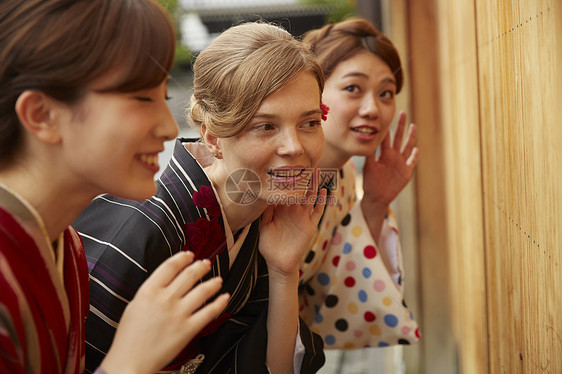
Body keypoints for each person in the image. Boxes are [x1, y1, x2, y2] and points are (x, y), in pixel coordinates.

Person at [73, 22, 328, 373]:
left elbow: (273, 367)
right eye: (265, 126)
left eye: (310, 123)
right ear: (211, 137)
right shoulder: (141, 229)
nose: (295, 147)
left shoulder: (262, 218)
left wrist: (284, 270)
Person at [0, 1, 231, 373]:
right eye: (141, 99)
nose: (169, 129)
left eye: (163, 99)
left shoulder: (67, 244)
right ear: (42, 115)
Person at [298, 17, 421, 349]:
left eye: (386, 93)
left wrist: (376, 203)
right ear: (312, 91)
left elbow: (332, 290)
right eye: (353, 88)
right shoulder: (282, 174)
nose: (373, 109)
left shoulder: (346, 175)